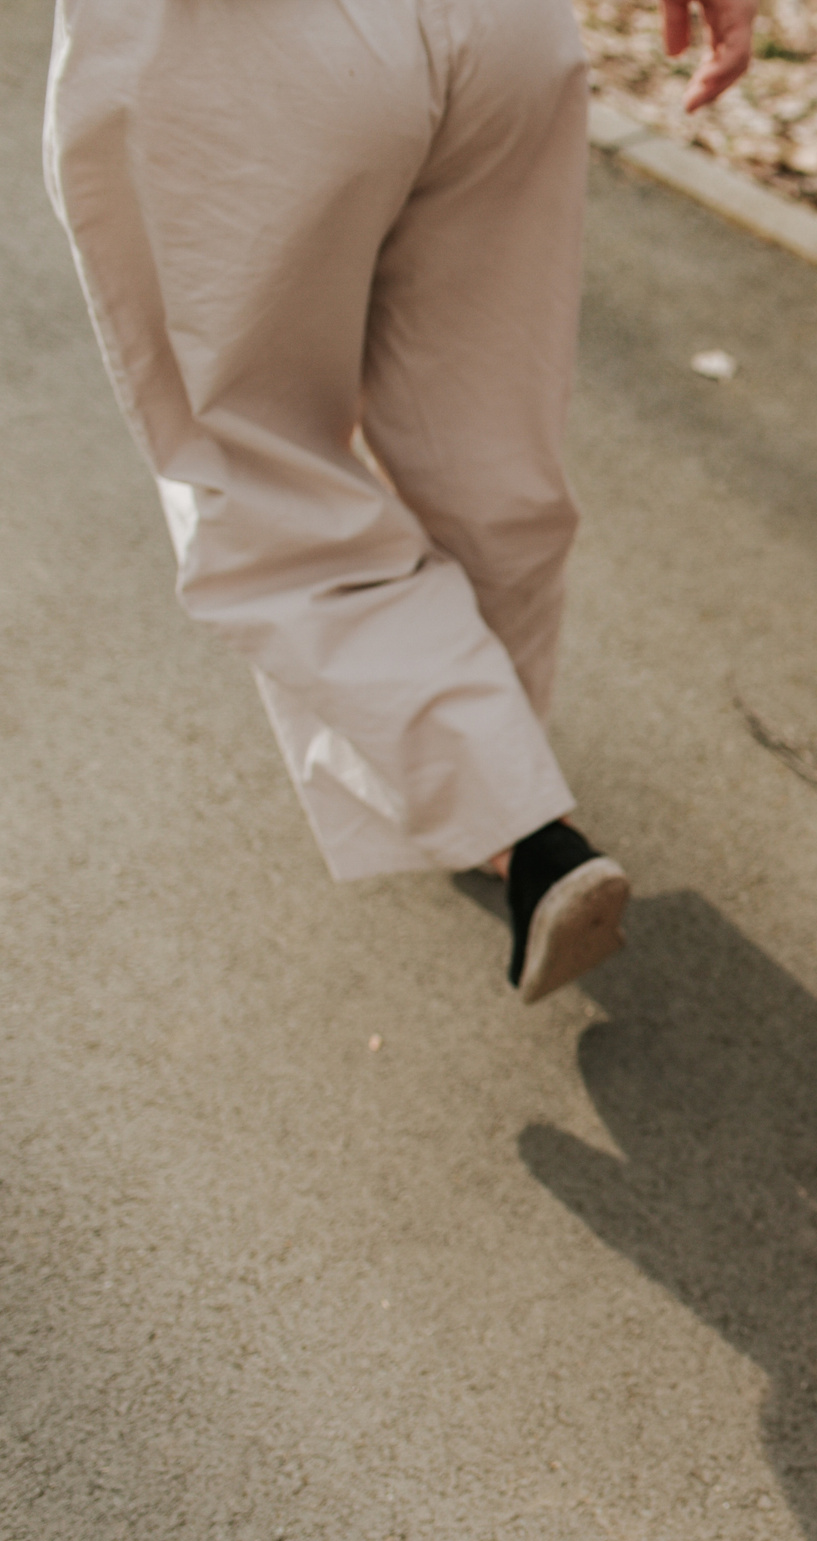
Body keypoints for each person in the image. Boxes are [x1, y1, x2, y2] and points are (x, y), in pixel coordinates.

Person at [44, 0, 756, 1000]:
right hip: (503, 31)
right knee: (484, 444)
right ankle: (500, 777)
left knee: (257, 465)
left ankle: (511, 816)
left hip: (241, 58)